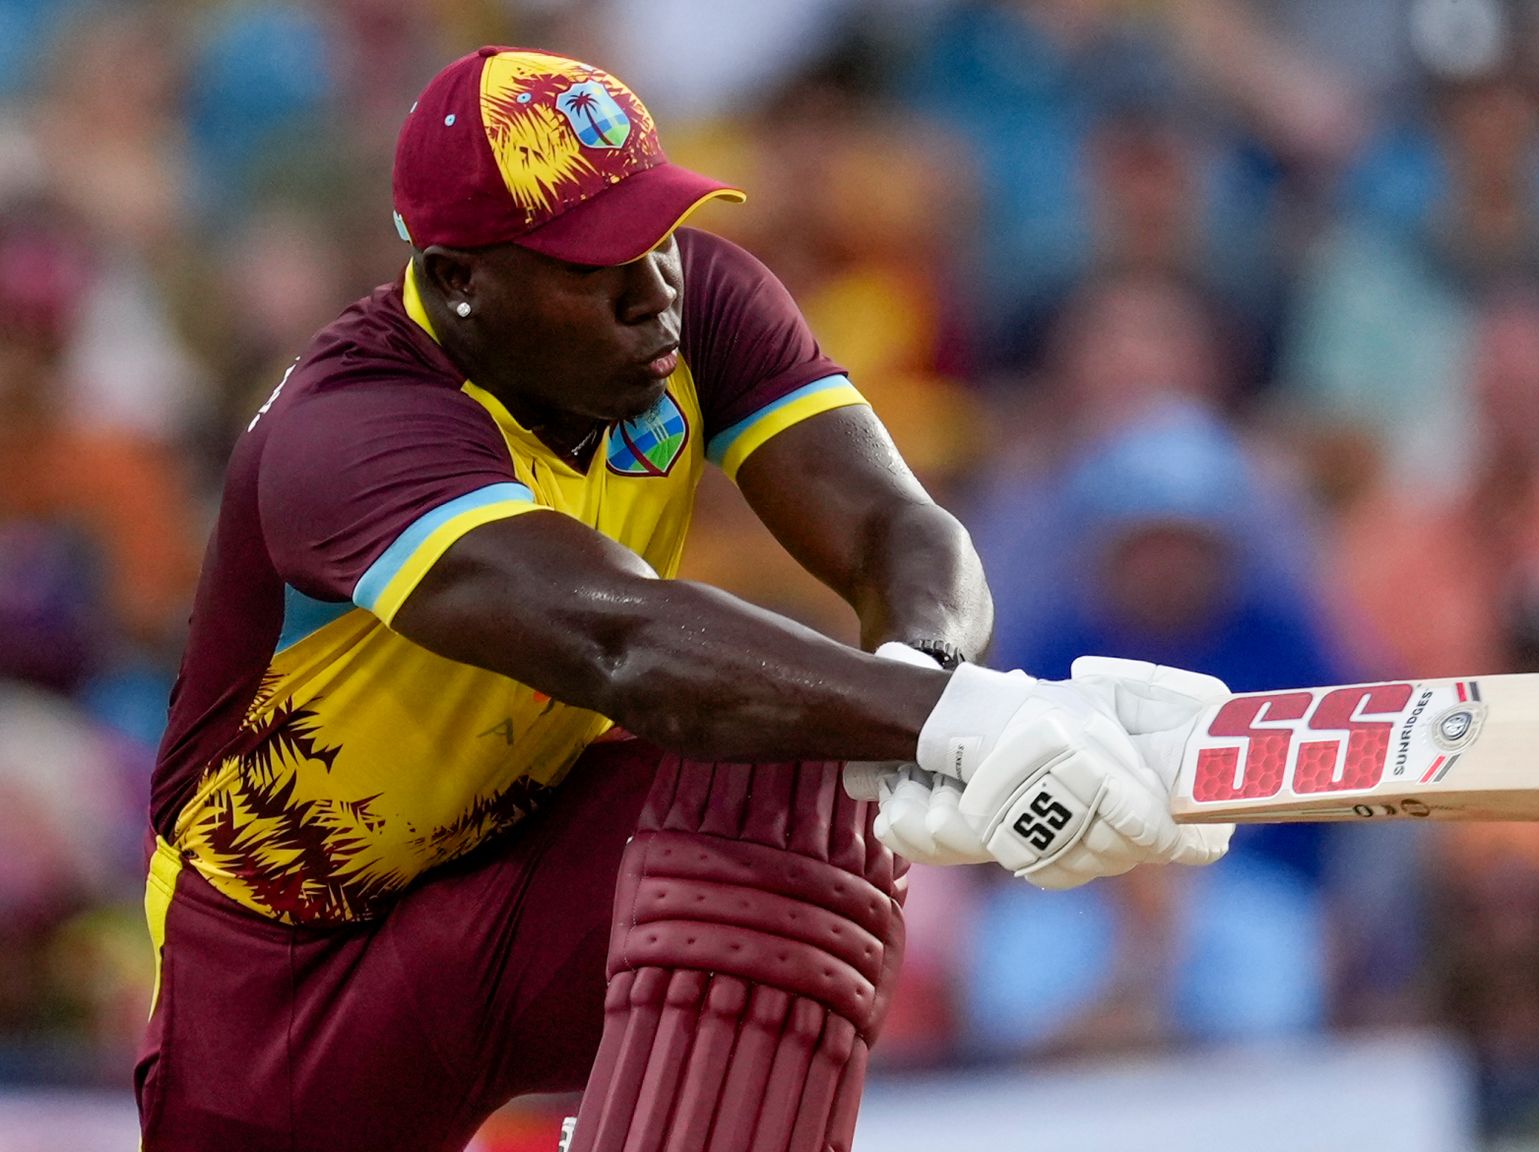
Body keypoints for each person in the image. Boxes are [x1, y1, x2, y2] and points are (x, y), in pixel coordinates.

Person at [136, 47, 1228, 1152]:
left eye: (654, 230)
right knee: (793, 720)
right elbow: (622, 645)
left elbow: (895, 528)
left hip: (522, 862)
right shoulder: (352, 430)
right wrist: (954, 726)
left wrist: (927, 685)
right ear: (459, 281)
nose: (652, 286)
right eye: (592, 260)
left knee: (803, 786)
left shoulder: (698, 302)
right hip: (293, 963)